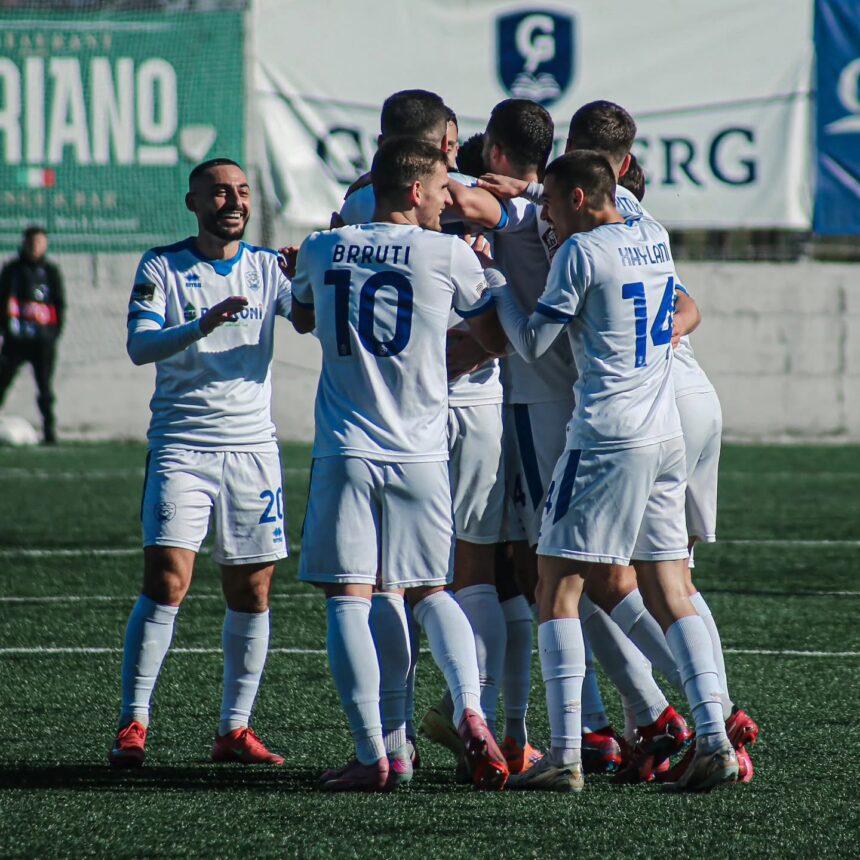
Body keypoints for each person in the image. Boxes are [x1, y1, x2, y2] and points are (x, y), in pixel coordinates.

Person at [491, 150, 739, 793]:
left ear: (576, 199)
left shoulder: (580, 252)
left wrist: (496, 284)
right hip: (664, 436)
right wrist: (532, 190)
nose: (546, 216)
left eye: (550, 203)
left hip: (605, 437)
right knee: (670, 589)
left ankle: (564, 755)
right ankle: (714, 739)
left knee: (555, 584)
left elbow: (532, 342)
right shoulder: (652, 234)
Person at [291, 136, 510, 792]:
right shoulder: (448, 252)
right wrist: (484, 287)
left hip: (348, 449)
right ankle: (470, 710)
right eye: (443, 188)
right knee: (432, 592)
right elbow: (495, 340)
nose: (450, 200)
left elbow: (301, 315)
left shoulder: (322, 247)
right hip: (420, 450)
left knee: (349, 598)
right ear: (415, 191)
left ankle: (377, 754)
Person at [108, 157, 291, 769]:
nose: (233, 201)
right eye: (218, 192)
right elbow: (140, 346)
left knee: (253, 589)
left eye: (241, 191)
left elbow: (311, 319)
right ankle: (134, 720)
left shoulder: (268, 267)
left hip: (253, 451)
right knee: (167, 580)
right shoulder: (162, 265)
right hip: (182, 446)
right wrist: (200, 325)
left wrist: (311, 279)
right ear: (193, 203)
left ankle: (234, 729)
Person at [0, 225, 65, 443]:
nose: (35, 247)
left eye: (39, 242)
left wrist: (53, 334)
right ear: (24, 244)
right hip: (15, 340)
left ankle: (49, 431)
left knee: (45, 388)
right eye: (31, 242)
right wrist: (5, 330)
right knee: (3, 381)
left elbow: (59, 304)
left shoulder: (50, 272)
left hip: (42, 341)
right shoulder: (12, 270)